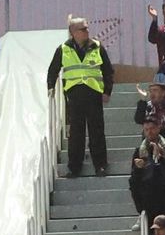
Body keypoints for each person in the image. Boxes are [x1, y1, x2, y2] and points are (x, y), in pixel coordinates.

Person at [46, 17, 115, 178]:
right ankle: (74, 168)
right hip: (74, 96)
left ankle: (101, 165)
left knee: (96, 131)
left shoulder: (97, 46)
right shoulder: (63, 49)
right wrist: (50, 87)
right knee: (76, 132)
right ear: (73, 32)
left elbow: (108, 71)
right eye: (82, 29)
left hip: (93, 94)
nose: (87, 31)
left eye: (87, 28)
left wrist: (107, 91)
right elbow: (53, 70)